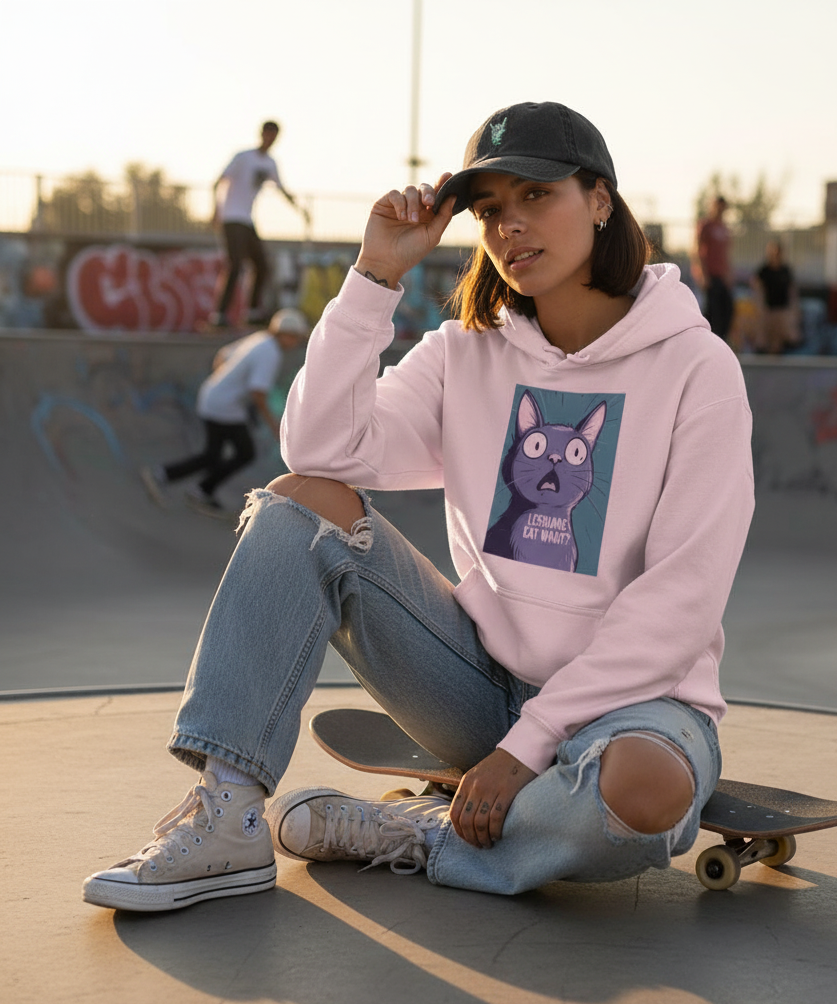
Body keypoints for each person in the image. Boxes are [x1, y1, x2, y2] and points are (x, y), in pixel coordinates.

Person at [84, 101, 754, 911]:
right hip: (479, 685)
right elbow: (320, 454)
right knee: (302, 508)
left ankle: (417, 834)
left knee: (644, 794)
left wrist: (527, 750)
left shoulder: (695, 369)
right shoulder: (464, 352)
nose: (510, 227)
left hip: (636, 706)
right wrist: (374, 279)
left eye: (537, 196)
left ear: (601, 200)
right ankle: (226, 815)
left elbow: (682, 602)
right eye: (490, 210)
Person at [141, 308, 309, 517]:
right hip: (224, 407)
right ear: (286, 334)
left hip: (214, 397)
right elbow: (258, 393)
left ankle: (184, 483)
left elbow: (221, 355)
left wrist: (226, 381)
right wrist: (274, 425)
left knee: (214, 454)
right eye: (296, 338)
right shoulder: (271, 353)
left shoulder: (259, 339)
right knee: (244, 453)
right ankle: (180, 482)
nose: (295, 344)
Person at [210, 121, 309, 328]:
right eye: (267, 134)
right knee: (235, 264)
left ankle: (253, 312)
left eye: (273, 136)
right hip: (230, 217)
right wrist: (215, 212)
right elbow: (218, 181)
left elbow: (281, 188)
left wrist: (300, 209)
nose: (269, 139)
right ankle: (219, 315)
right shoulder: (243, 157)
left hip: (246, 219)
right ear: (262, 134)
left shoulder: (270, 163)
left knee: (261, 266)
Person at [692, 195, 734, 341]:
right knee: (712, 312)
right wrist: (703, 275)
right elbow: (697, 250)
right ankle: (710, 341)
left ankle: (723, 340)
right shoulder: (706, 225)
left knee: (727, 309)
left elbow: (725, 254)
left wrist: (728, 274)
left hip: (721, 276)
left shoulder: (724, 228)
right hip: (710, 276)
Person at [752, 240, 798, 354]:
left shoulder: (785, 270)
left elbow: (792, 290)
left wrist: (794, 309)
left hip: (782, 309)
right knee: (767, 337)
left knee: (782, 336)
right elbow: (757, 288)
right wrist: (760, 307)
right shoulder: (764, 271)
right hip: (768, 309)